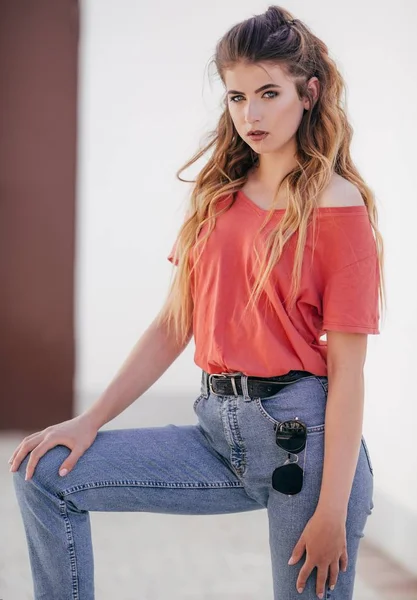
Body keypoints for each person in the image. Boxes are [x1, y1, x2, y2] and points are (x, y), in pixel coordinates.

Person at [9, 5, 384, 599]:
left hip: (303, 446)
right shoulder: (218, 199)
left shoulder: (339, 210)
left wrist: (333, 511)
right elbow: (172, 325)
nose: (251, 114)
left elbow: (348, 372)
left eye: (268, 93)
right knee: (46, 477)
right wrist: (90, 421)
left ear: (308, 93)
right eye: (237, 97)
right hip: (216, 431)